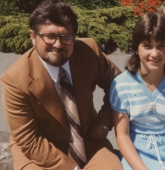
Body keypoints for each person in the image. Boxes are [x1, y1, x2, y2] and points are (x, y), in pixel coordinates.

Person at [0, 0, 123, 170]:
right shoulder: (15, 79)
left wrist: (103, 122)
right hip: (39, 149)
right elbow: (29, 141)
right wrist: (72, 168)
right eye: (49, 36)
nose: (58, 45)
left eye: (66, 37)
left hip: (87, 138)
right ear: (33, 37)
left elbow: (120, 85)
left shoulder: (89, 51)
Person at [110, 12, 165, 170]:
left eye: (161, 45)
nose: (154, 53)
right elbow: (122, 135)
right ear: (136, 48)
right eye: (147, 46)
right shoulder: (121, 86)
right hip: (137, 156)